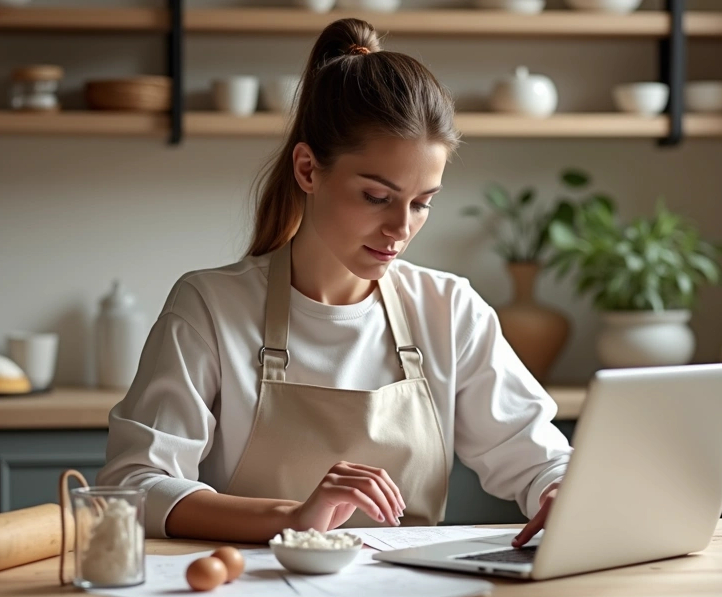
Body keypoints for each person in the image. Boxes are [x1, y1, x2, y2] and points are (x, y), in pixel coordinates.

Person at [97, 18, 571, 548]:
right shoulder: (211, 306)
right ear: (307, 169)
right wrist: (293, 517)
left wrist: (561, 491)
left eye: (422, 203)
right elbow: (132, 488)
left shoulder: (448, 307)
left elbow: (539, 459)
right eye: (376, 196)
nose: (401, 229)